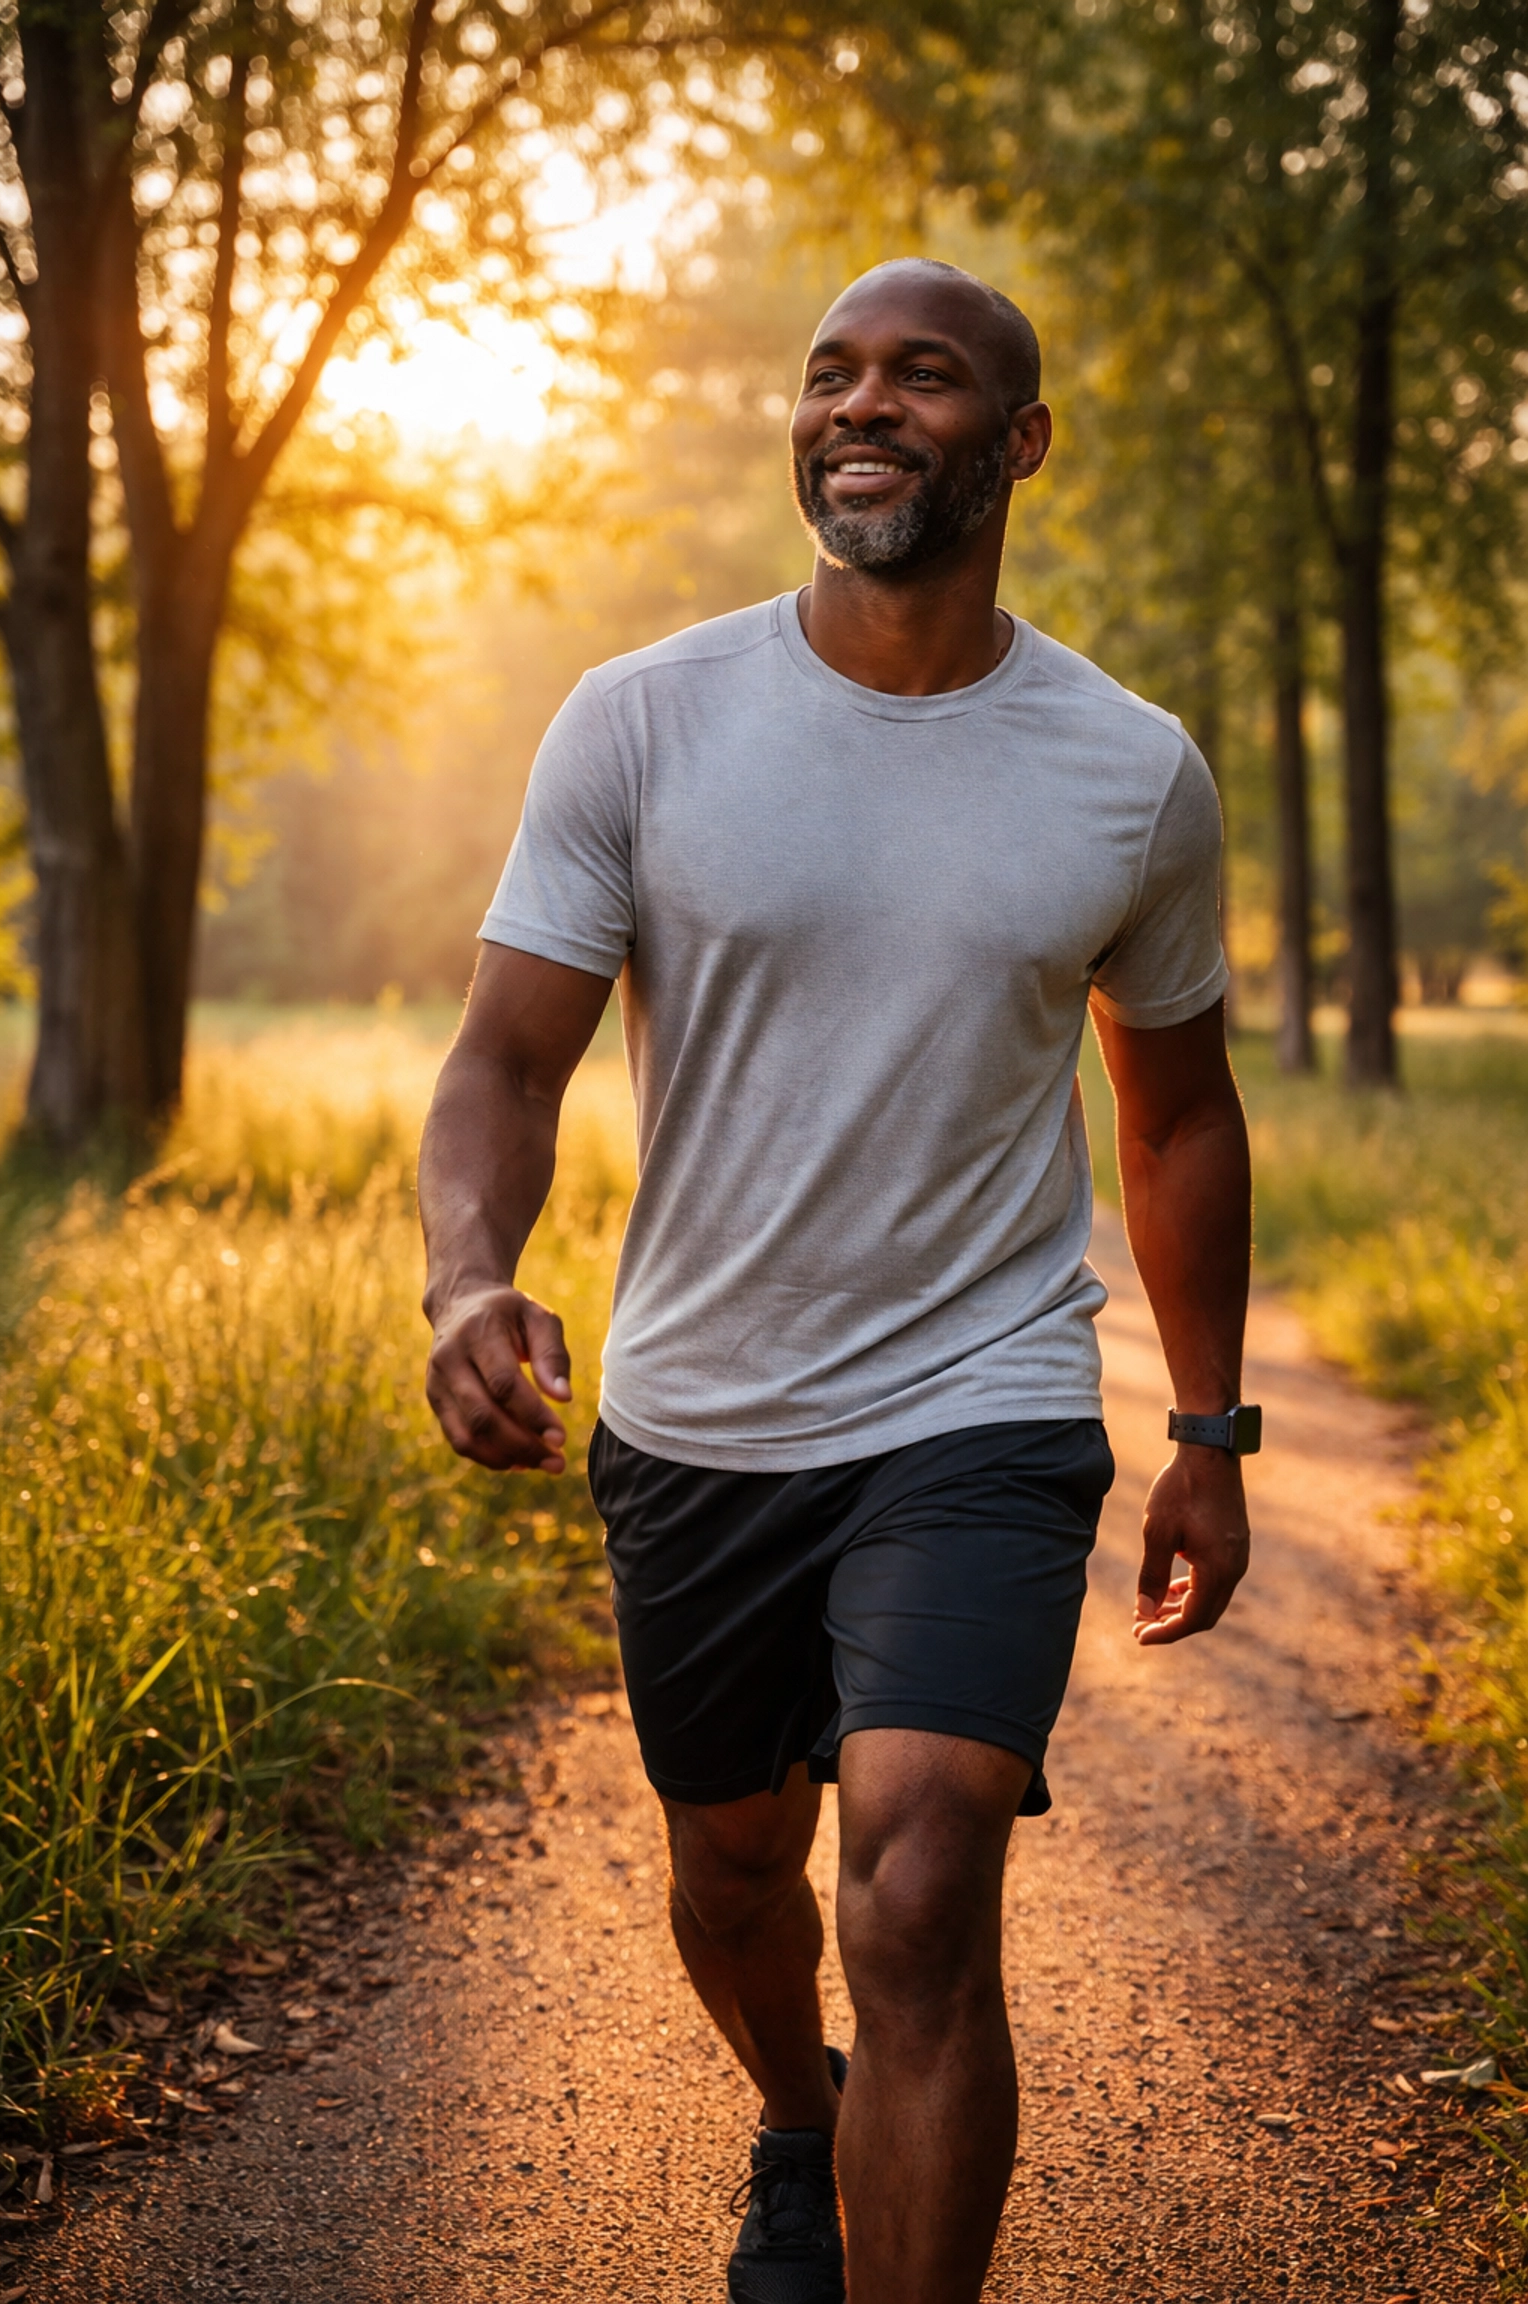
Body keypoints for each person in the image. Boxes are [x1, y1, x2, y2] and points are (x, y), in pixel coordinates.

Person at [418, 257, 1256, 2304]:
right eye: (831, 375)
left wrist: (1212, 1429)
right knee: (734, 1877)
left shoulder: (1128, 769)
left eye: (924, 376)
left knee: (919, 1882)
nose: (861, 406)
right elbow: (505, 1060)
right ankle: (803, 2124)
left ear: (1021, 439)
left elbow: (1180, 1122)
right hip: (700, 1410)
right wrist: (466, 1281)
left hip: (977, 1404)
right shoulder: (643, 719)